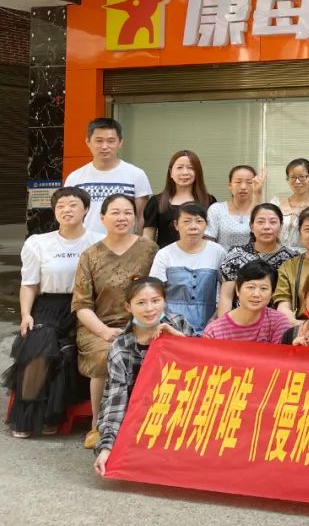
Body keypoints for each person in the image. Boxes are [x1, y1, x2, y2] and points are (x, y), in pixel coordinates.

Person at [5, 188, 100, 438]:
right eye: (60, 206)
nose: (67, 210)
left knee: (68, 350)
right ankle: (27, 417)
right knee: (40, 344)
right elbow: (29, 284)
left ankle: (52, 416)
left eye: (73, 205)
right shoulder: (38, 243)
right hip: (49, 304)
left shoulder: (98, 241)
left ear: (86, 209)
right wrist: (26, 314)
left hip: (86, 305)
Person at [71, 193, 158, 449]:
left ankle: (145, 424)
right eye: (115, 213)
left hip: (143, 322)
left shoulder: (149, 249)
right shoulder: (91, 255)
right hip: (98, 326)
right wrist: (103, 331)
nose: (122, 218)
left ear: (135, 217)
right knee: (107, 353)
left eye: (128, 213)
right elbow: (81, 305)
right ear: (102, 218)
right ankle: (98, 425)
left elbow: (158, 293)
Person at [92, 277, 193, 477]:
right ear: (128, 307)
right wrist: (106, 448)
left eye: (156, 301)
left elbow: (203, 368)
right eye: (141, 303)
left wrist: (180, 340)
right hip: (140, 414)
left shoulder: (177, 323)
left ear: (165, 301)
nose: (149, 309)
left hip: (181, 408)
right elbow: (116, 401)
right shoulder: (121, 347)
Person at [64, 117, 152, 234]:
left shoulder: (136, 175)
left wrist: (138, 242)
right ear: (88, 142)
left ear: (120, 143)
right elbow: (67, 215)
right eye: (99, 141)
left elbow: (142, 218)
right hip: (85, 243)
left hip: (123, 243)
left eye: (111, 141)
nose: (105, 146)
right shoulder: (75, 178)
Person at [148, 202, 225, 335]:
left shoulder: (218, 252)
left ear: (206, 225)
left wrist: (214, 322)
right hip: (171, 325)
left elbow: (227, 292)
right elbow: (154, 293)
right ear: (176, 225)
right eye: (187, 221)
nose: (193, 227)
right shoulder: (164, 254)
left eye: (199, 221)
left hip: (209, 326)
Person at [217, 203, 299, 318]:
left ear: (281, 227)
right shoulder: (236, 254)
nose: (266, 227)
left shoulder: (292, 258)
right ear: (251, 227)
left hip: (277, 323)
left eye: (273, 222)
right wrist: (223, 325)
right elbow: (227, 297)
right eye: (260, 222)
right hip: (241, 321)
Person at [203, 260, 293, 343]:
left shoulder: (278, 322)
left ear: (272, 293)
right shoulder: (214, 331)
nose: (256, 294)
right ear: (237, 290)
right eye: (251, 287)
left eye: (263, 288)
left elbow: (280, 354)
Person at [142, 149, 215, 248]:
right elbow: (148, 238)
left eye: (191, 168)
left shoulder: (209, 201)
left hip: (199, 256)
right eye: (179, 167)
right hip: (166, 256)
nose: (185, 172)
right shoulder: (156, 201)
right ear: (171, 172)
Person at [207, 165, 266, 250]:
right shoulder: (216, 209)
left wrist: (257, 195)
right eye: (238, 182)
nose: (243, 187)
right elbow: (209, 242)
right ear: (230, 185)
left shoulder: (263, 211)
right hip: (223, 258)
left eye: (249, 182)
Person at [271, 158, 309, 250]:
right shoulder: (276, 204)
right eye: (293, 177)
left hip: (307, 257)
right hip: (276, 256)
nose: (297, 181)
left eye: (302, 177)